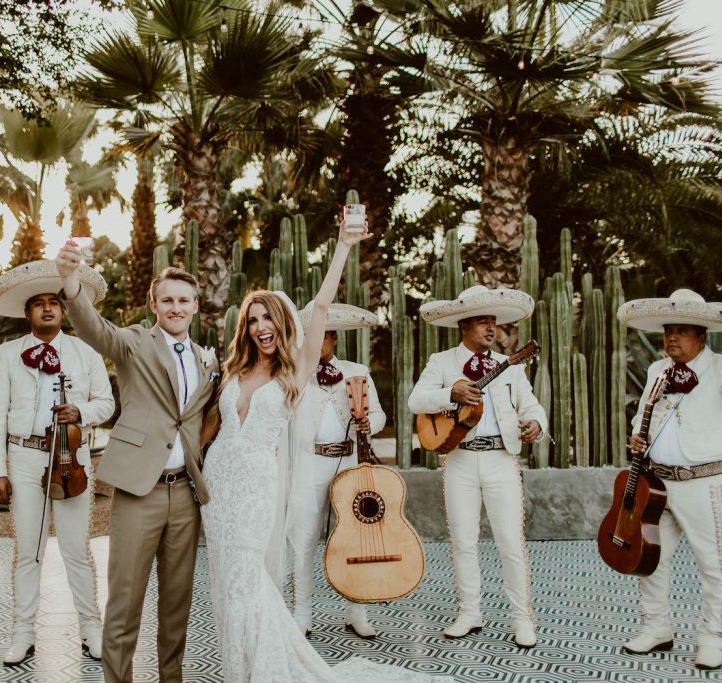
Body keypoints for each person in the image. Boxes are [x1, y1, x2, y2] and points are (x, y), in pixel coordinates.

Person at [197, 215, 451, 682]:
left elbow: (318, 310)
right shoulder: (232, 372)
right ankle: (241, 665)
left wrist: (342, 248)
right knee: (223, 579)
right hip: (218, 485)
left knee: (247, 577)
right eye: (252, 320)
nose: (260, 327)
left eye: (267, 318)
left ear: (280, 323)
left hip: (256, 486)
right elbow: (209, 429)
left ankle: (266, 668)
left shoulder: (294, 372)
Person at [54, 254, 220, 683]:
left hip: (186, 495)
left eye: (184, 300)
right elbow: (95, 329)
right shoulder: (133, 343)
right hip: (138, 492)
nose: (176, 308)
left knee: (177, 604)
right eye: (168, 300)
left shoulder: (207, 360)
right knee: (125, 603)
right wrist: (70, 280)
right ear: (154, 304)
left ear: (196, 306)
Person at [0, 259, 115, 666]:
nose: (46, 308)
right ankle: (23, 633)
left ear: (64, 309)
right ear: (28, 313)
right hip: (23, 456)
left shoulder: (85, 351)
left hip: (71, 458)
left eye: (53, 302)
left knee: (77, 548)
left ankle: (91, 629)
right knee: (28, 551)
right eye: (37, 303)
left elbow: (106, 403)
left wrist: (80, 412)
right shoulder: (7, 353)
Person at [408, 286, 545, 649]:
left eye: (493, 322)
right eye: (482, 321)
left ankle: (522, 618)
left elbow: (530, 405)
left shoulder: (509, 365)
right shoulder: (441, 362)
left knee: (510, 542)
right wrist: (449, 394)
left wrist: (535, 424)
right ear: (463, 326)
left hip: (502, 459)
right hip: (459, 459)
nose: (490, 328)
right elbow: (415, 400)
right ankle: (469, 612)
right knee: (463, 541)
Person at [617, 288, 722, 670]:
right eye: (668, 331)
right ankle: (656, 627)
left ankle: (713, 637)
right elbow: (643, 416)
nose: (672, 338)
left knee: (714, 564)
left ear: (702, 336)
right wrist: (636, 434)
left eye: (682, 331)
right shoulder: (656, 370)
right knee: (650, 559)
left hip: (705, 481)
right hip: (656, 484)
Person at [288, 302, 386, 638]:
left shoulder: (357, 371)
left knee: (354, 537)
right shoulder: (295, 374)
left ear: (333, 338)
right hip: (309, 463)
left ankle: (356, 612)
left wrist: (367, 422)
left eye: (324, 335)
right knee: (303, 539)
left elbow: (382, 416)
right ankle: (302, 613)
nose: (317, 340)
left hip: (349, 462)